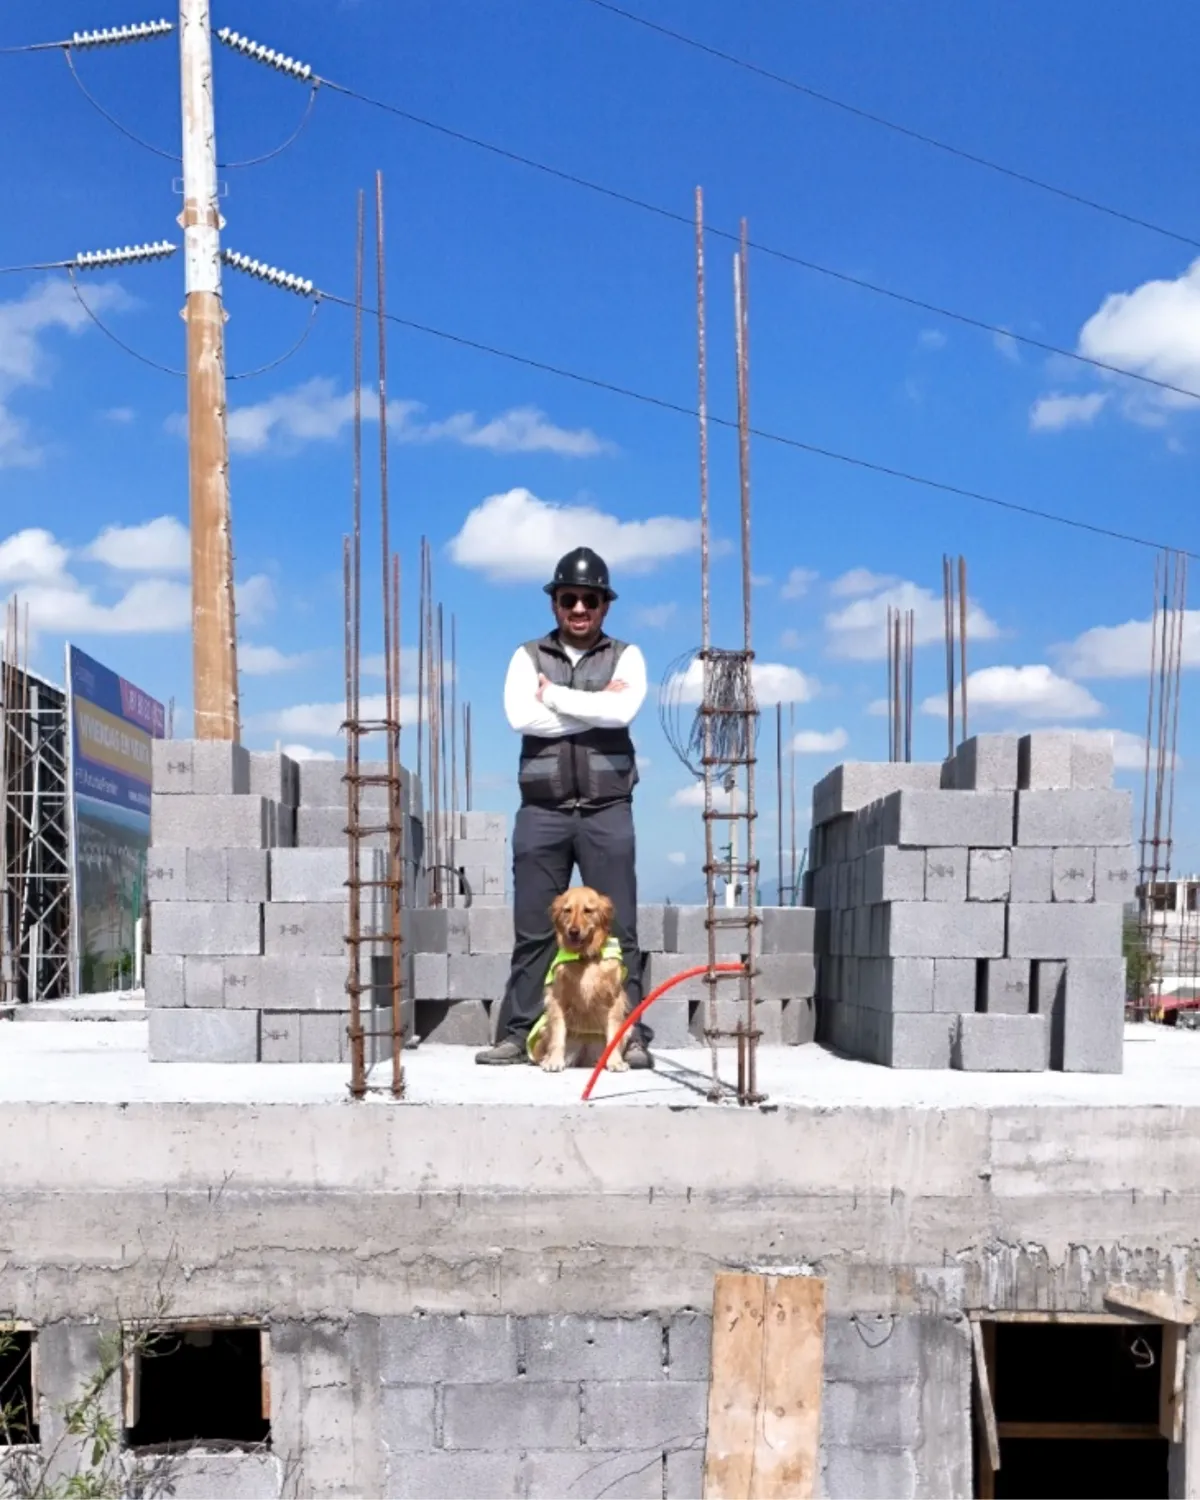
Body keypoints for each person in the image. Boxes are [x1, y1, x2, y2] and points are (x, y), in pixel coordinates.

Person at [476, 546, 653, 1068]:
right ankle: (519, 1033)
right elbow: (520, 718)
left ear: (605, 606)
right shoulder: (526, 656)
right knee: (534, 930)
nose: (579, 608)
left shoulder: (627, 656)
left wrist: (551, 696)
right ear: (554, 603)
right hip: (543, 811)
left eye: (590, 600)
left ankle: (630, 1035)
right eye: (569, 598)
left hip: (607, 809)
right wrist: (597, 707)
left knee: (621, 932)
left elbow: (622, 712)